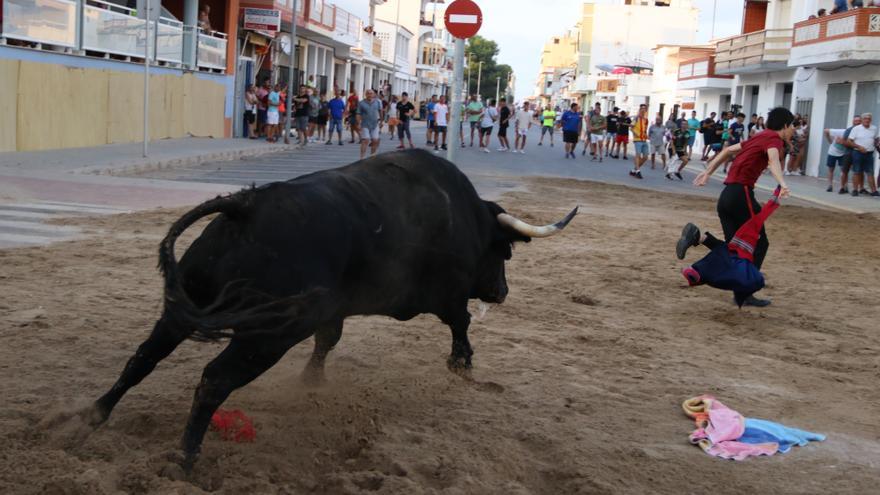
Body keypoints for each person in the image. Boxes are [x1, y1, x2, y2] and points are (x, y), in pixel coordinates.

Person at [693, 106, 795, 307]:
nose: (793, 130)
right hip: (742, 195)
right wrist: (782, 183)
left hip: (727, 196)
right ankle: (745, 293)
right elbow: (773, 159)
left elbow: (728, 150)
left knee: (735, 248)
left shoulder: (758, 136)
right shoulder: (773, 139)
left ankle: (700, 238)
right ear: (784, 125)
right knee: (759, 243)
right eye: (792, 126)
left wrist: (708, 172)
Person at [675, 187, 784, 307]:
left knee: (726, 250)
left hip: (725, 198)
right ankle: (744, 294)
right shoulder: (753, 219)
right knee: (750, 272)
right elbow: (766, 210)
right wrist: (778, 191)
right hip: (741, 200)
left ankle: (699, 240)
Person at [823, 115, 861, 193]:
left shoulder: (858, 135)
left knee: (844, 171)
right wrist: (830, 141)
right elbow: (826, 130)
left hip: (843, 154)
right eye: (855, 121)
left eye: (858, 121)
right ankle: (830, 185)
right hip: (832, 152)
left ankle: (844, 186)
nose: (857, 123)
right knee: (831, 169)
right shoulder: (843, 131)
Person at [845, 112, 880, 196]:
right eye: (865, 118)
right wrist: (859, 147)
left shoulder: (874, 128)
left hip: (869, 154)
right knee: (857, 171)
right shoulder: (856, 129)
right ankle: (855, 190)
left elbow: (876, 140)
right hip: (857, 153)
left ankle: (874, 191)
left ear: (871, 120)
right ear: (862, 120)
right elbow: (849, 141)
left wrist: (878, 145)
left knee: (870, 172)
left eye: (869, 119)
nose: (867, 120)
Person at [357, 89, 383, 159]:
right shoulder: (361, 103)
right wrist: (358, 123)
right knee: (366, 140)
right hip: (365, 124)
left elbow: (380, 112)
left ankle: (372, 156)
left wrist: (381, 121)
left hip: (375, 124)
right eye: (368, 93)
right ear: (365, 95)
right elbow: (358, 114)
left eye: (371, 93)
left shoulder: (378, 102)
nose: (370, 95)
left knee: (375, 140)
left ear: (374, 94)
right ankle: (362, 157)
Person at [629, 106, 650, 178]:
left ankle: (634, 170)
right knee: (638, 155)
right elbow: (631, 128)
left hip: (644, 140)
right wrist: (636, 133)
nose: (643, 111)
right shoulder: (636, 118)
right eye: (642, 109)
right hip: (637, 140)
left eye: (644, 110)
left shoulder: (646, 120)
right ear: (640, 110)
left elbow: (645, 130)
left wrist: (646, 135)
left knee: (645, 157)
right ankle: (638, 171)